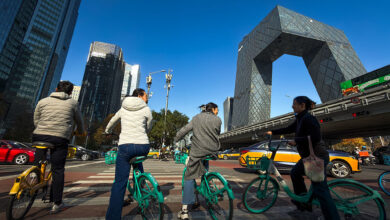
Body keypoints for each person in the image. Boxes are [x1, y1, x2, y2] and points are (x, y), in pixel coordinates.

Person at [265, 96, 339, 220]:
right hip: (308, 157)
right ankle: (304, 203)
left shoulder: (309, 119)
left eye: (294, 104)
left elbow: (315, 137)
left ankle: (333, 217)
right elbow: (288, 129)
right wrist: (272, 132)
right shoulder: (300, 119)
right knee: (295, 173)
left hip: (316, 157)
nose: (292, 106)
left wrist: (296, 141)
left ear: (302, 105)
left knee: (321, 191)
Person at [33, 80, 85, 213]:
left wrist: (42, 128)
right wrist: (80, 131)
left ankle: (33, 179)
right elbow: (79, 121)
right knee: (58, 169)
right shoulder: (73, 103)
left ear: (56, 89)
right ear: (70, 92)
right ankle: (57, 202)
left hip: (39, 136)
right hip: (59, 138)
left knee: (37, 165)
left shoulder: (42, 101)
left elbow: (36, 119)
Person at [105, 88, 153, 220]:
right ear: (139, 95)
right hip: (143, 146)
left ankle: (113, 217)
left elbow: (112, 122)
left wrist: (107, 130)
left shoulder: (123, 108)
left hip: (125, 146)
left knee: (120, 182)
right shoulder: (147, 109)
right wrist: (143, 132)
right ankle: (141, 188)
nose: (147, 98)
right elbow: (149, 126)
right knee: (137, 163)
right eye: (146, 96)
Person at [174, 102, 222, 220]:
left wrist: (176, 139)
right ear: (214, 109)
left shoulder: (196, 118)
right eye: (217, 109)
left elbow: (184, 130)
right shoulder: (218, 120)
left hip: (198, 151)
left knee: (189, 176)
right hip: (213, 151)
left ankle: (185, 211)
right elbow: (216, 133)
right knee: (204, 170)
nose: (218, 111)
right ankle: (206, 185)